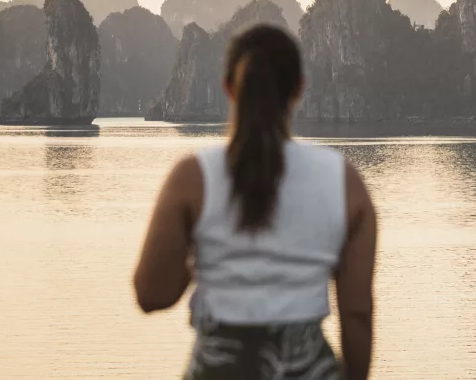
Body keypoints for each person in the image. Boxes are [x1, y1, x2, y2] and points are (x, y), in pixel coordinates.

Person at [133, 24, 377, 380]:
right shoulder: (343, 180)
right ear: (299, 89)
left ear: (228, 88)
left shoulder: (192, 178)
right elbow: (357, 314)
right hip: (308, 368)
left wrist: (200, 256)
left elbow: (151, 294)